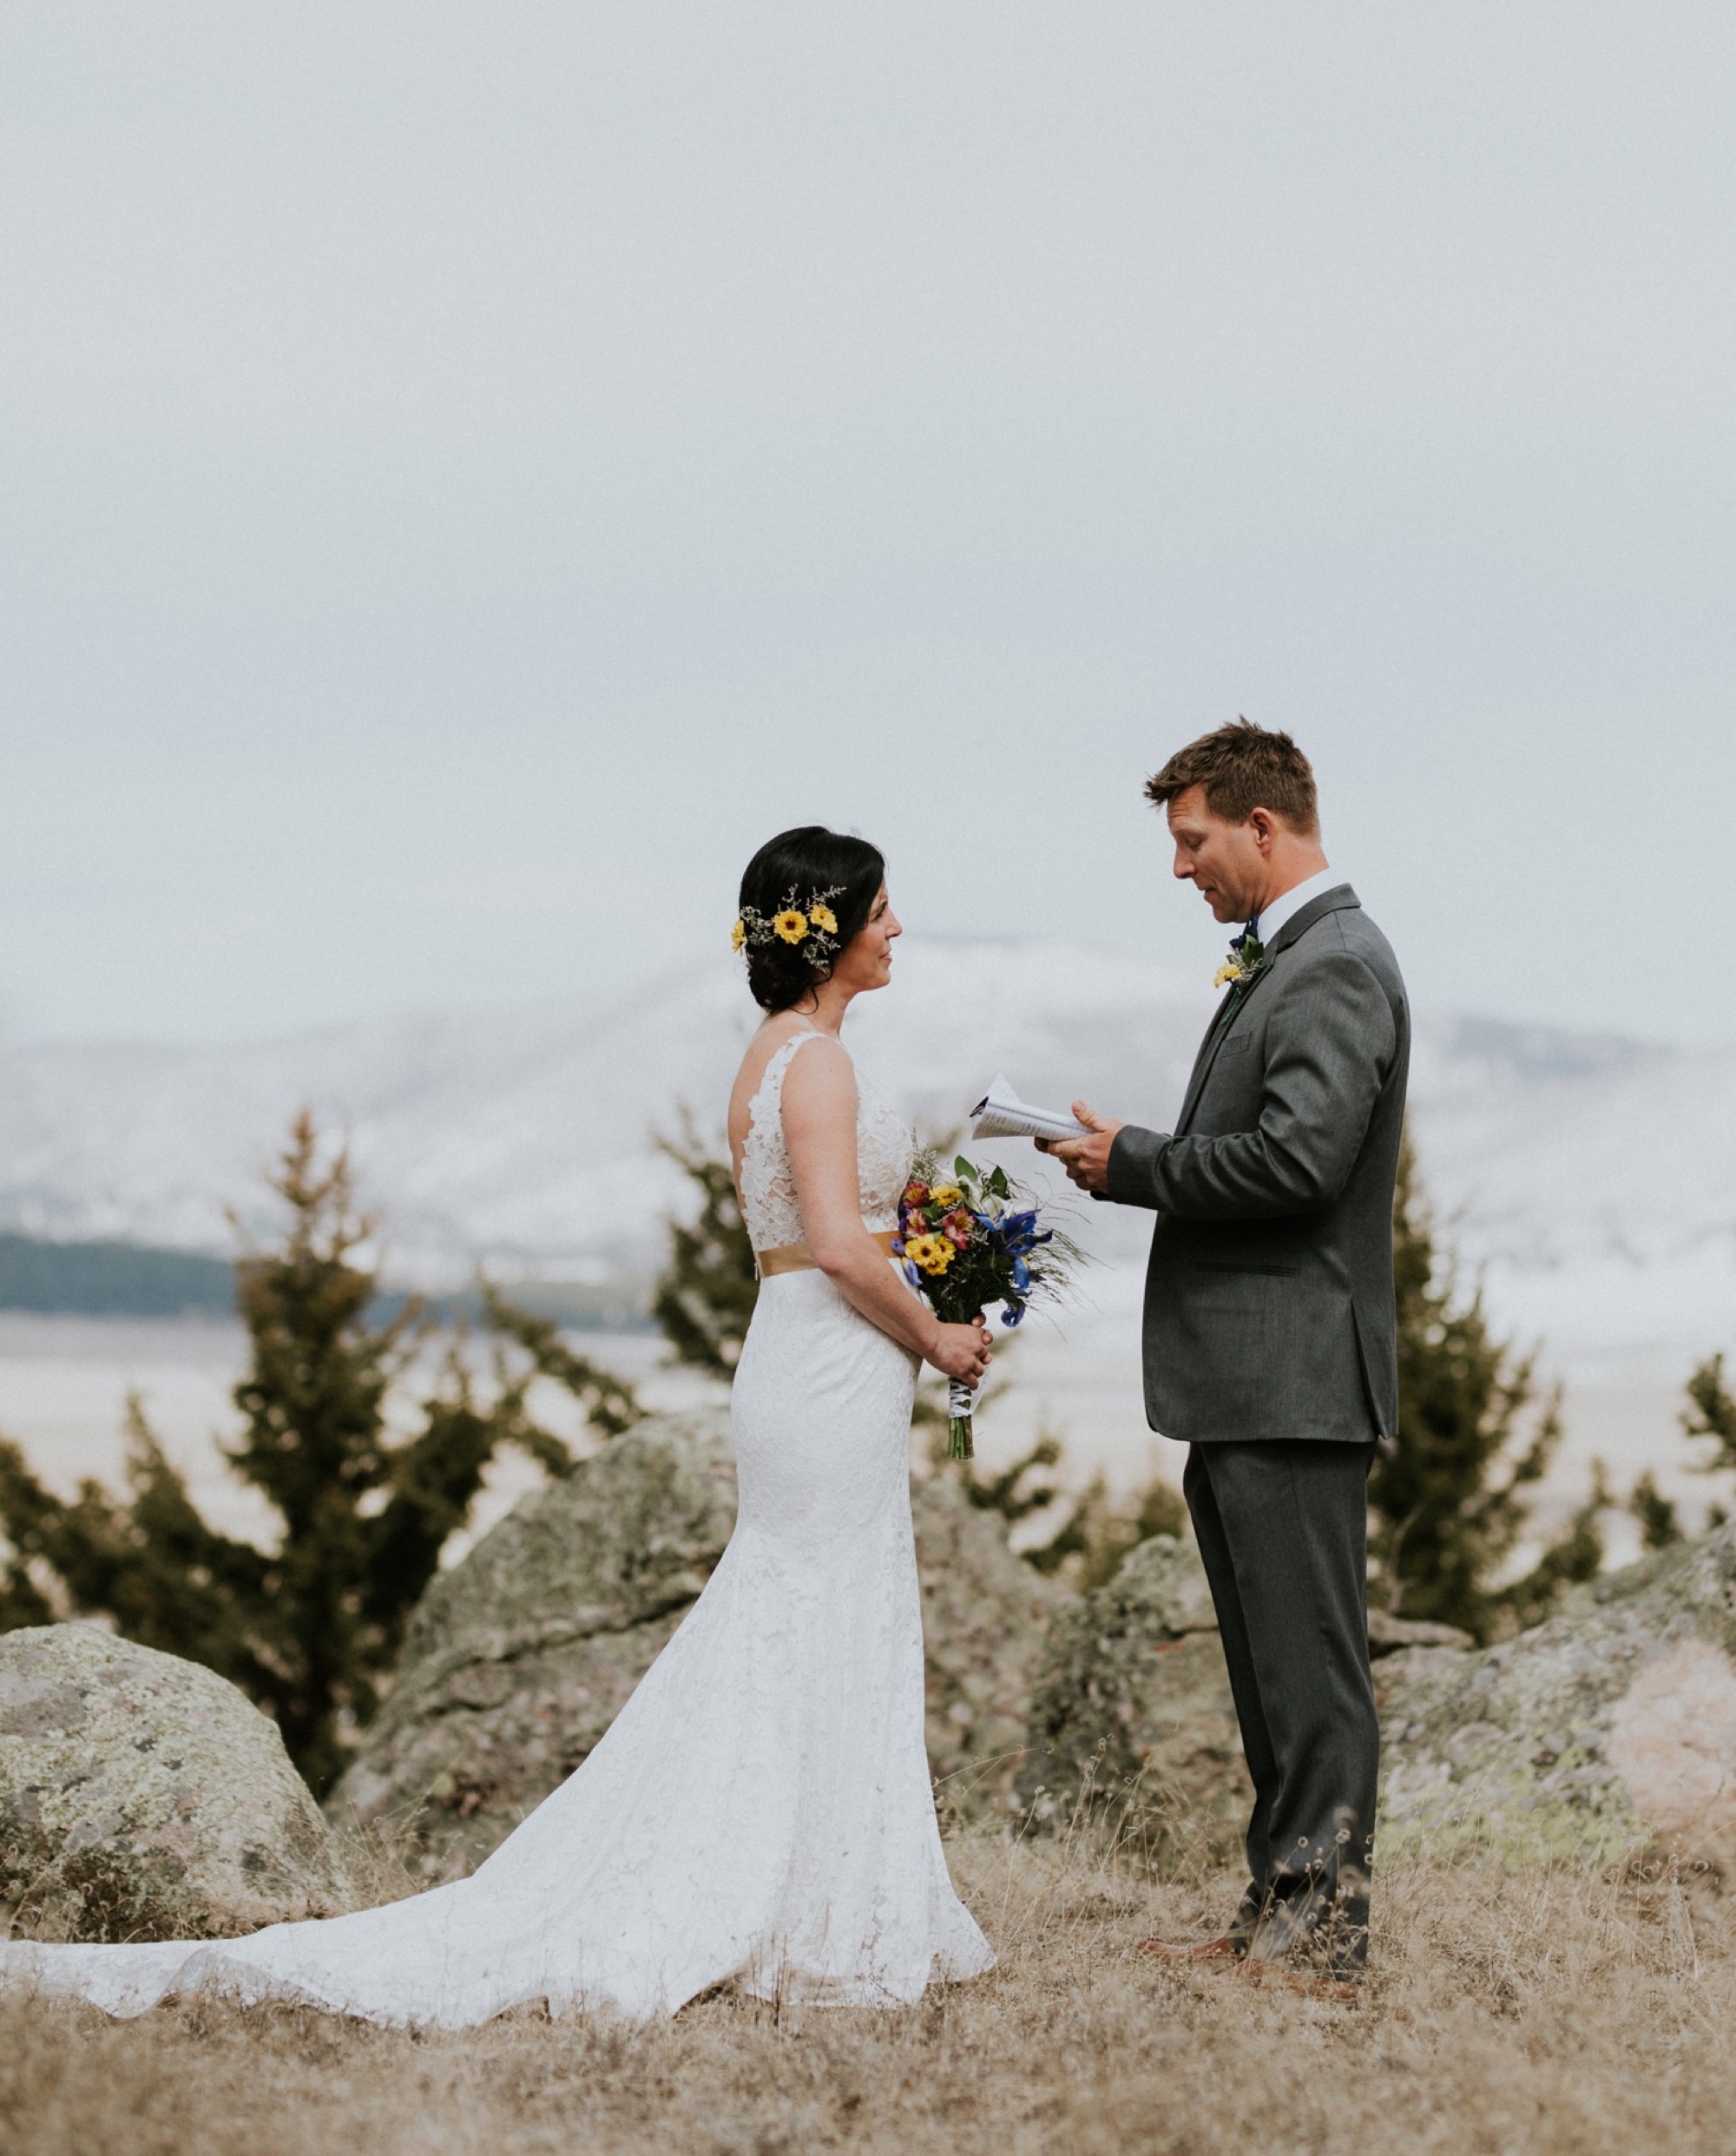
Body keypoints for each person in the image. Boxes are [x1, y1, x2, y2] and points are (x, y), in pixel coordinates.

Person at [3, 825, 995, 2027]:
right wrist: (937, 1331)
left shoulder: (768, 1056)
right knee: (822, 1603)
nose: (898, 928)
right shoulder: (823, 1064)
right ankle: (809, 1903)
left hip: (796, 1352)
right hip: (829, 1358)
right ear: (828, 929)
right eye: (882, 909)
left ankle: (811, 1890)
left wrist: (930, 1260)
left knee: (808, 1603)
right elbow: (841, 1241)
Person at [1041, 720, 1408, 1990]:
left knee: (1311, 1671)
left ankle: (1322, 1939)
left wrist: (1133, 1161)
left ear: (1265, 826)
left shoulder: (1336, 965)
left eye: (1193, 840)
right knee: (1268, 1673)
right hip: (1253, 1379)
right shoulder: (1293, 960)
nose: (1181, 867)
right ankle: (1275, 1912)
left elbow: (1302, 1163)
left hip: (1295, 1378)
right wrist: (1133, 1149)